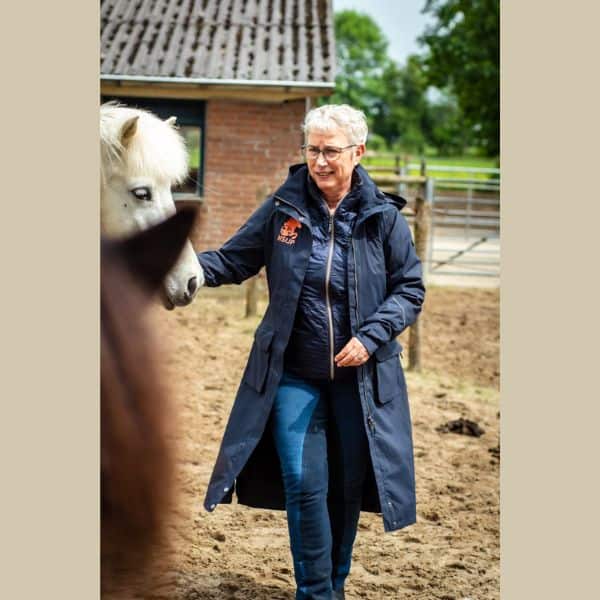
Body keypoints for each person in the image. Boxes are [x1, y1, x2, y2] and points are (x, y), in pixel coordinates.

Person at [197, 104, 425, 600]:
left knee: (345, 490)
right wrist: (184, 269)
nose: (320, 161)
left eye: (331, 151)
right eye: (312, 149)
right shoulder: (283, 208)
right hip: (292, 376)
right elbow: (232, 260)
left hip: (360, 382)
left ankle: (332, 587)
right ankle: (316, 593)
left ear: (358, 152)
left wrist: (371, 336)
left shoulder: (384, 218)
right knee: (303, 482)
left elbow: (410, 289)